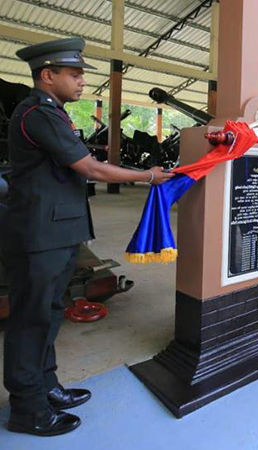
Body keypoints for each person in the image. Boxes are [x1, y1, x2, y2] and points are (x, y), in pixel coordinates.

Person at [0, 38, 173, 436]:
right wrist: (148, 176)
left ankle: (47, 387)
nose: (81, 82)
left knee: (50, 314)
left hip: (57, 232)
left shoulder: (54, 113)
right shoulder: (37, 113)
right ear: (48, 75)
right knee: (31, 320)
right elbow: (90, 169)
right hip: (38, 234)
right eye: (74, 74)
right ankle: (28, 409)